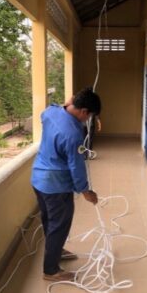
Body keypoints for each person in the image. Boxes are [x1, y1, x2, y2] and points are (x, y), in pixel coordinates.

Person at [31, 87, 101, 281]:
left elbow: (49, 110)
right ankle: (51, 270)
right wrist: (86, 191)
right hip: (56, 185)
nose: (88, 121)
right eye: (90, 117)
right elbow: (76, 167)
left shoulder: (51, 112)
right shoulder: (73, 134)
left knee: (49, 220)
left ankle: (56, 250)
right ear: (84, 111)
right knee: (59, 224)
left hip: (38, 179)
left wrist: (71, 101)